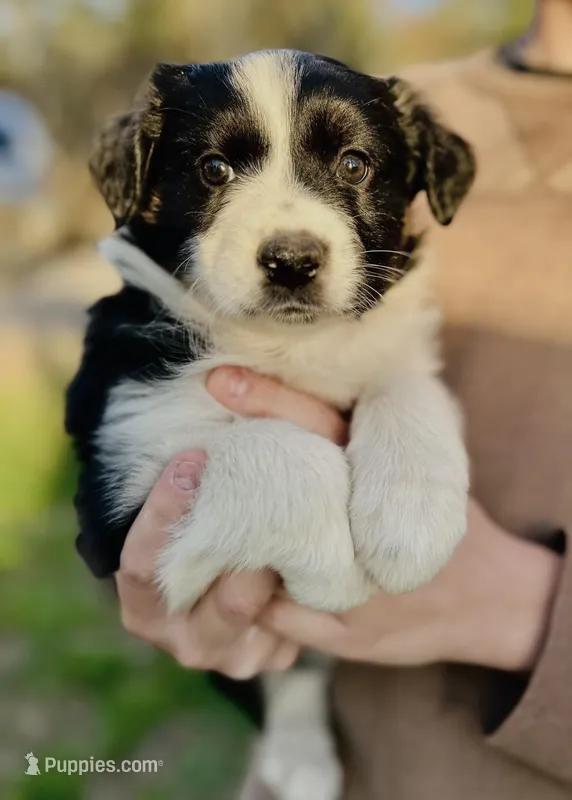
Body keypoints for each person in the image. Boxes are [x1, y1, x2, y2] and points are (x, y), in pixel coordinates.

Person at [115, 0, 572, 797]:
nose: (292, 235)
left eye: (353, 169)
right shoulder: (404, 95)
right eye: (219, 171)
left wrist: (526, 611)